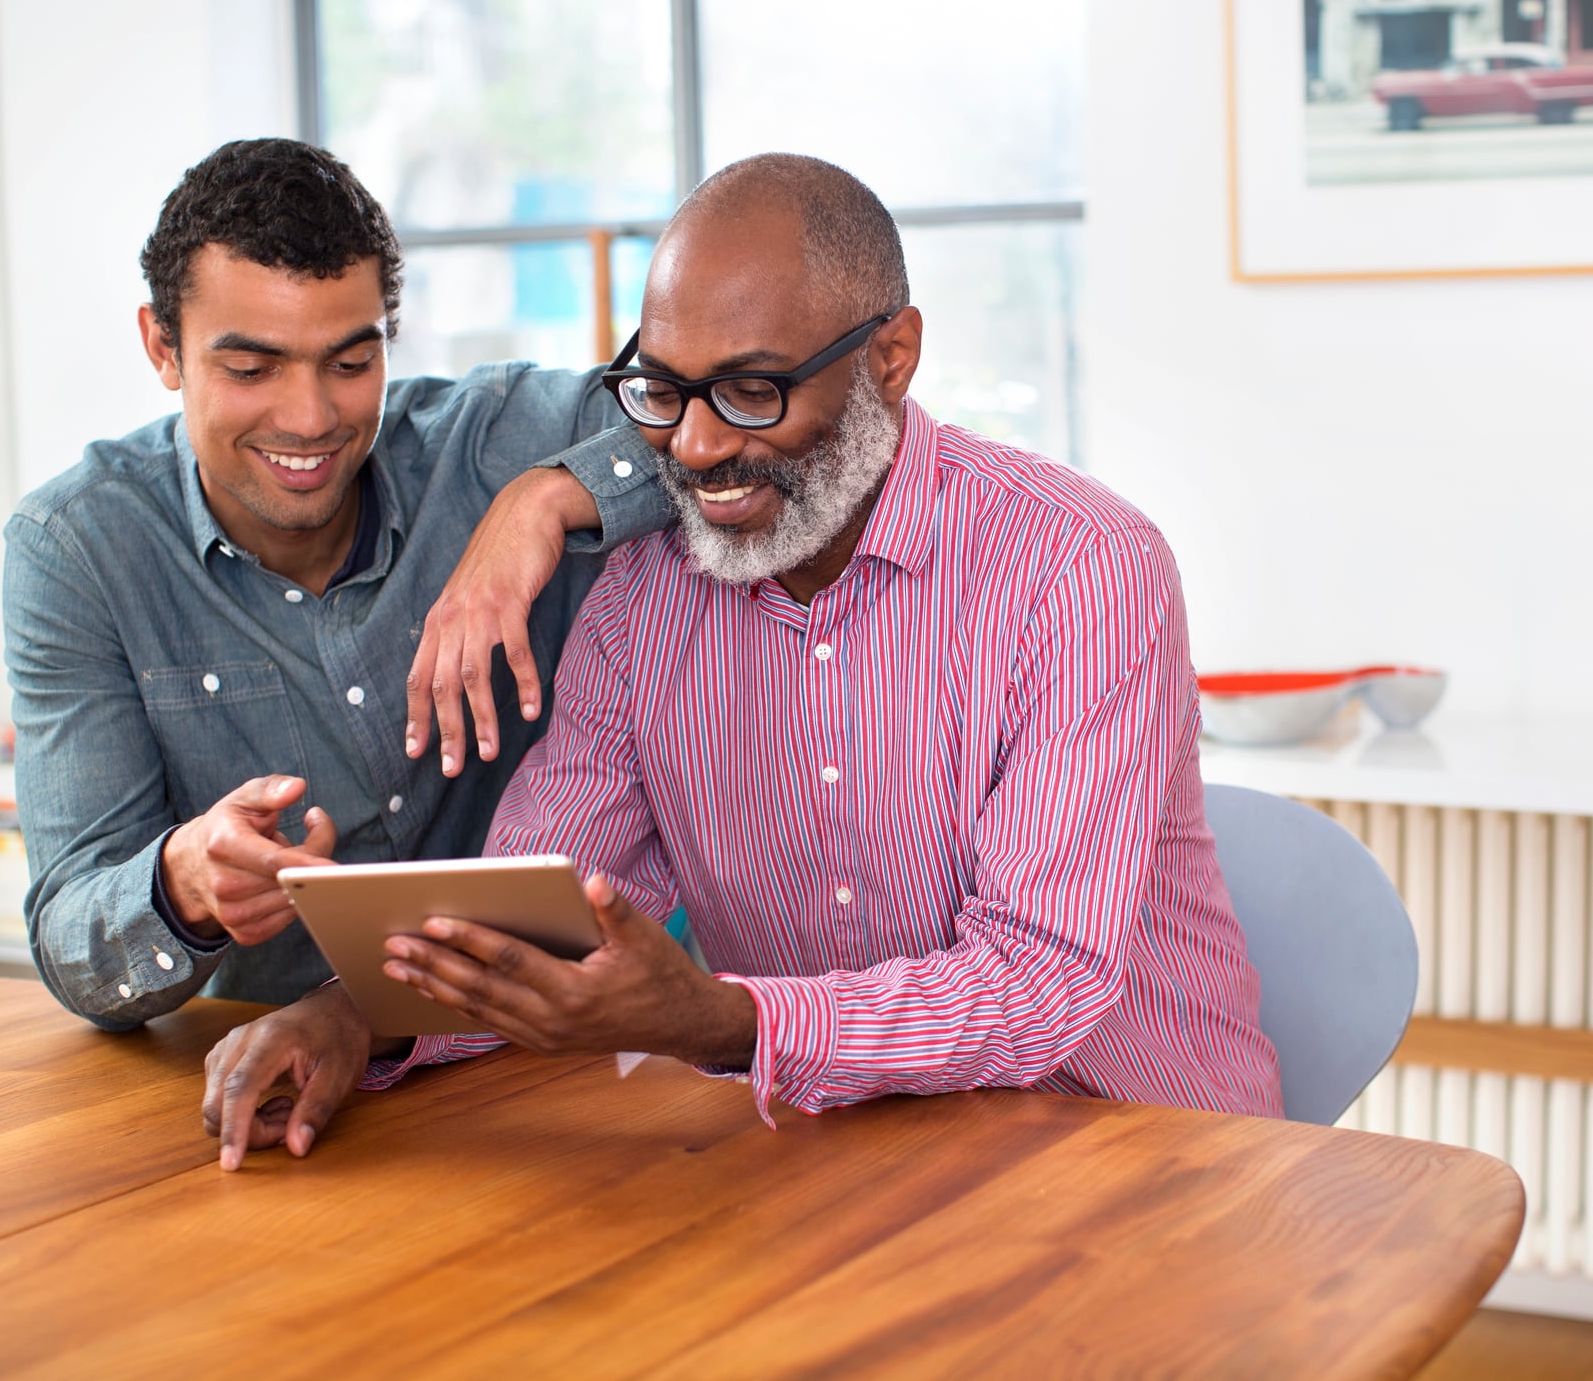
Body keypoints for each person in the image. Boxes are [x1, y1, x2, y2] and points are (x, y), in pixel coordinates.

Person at [204, 153, 1281, 1169]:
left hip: (1146, 1160)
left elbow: (1035, 983)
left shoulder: (1080, 569)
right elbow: (541, 911)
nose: (697, 446)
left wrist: (727, 1020)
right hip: (842, 1168)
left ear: (891, 358)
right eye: (663, 391)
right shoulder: (637, 602)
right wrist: (350, 1015)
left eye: (753, 391)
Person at [4, 138, 669, 1030]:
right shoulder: (79, 550)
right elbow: (75, 950)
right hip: (291, 1097)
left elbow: (728, 416)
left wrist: (543, 498)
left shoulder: (489, 444)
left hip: (565, 1059)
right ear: (163, 347)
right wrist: (182, 882)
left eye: (351, 364)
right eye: (251, 369)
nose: (311, 419)